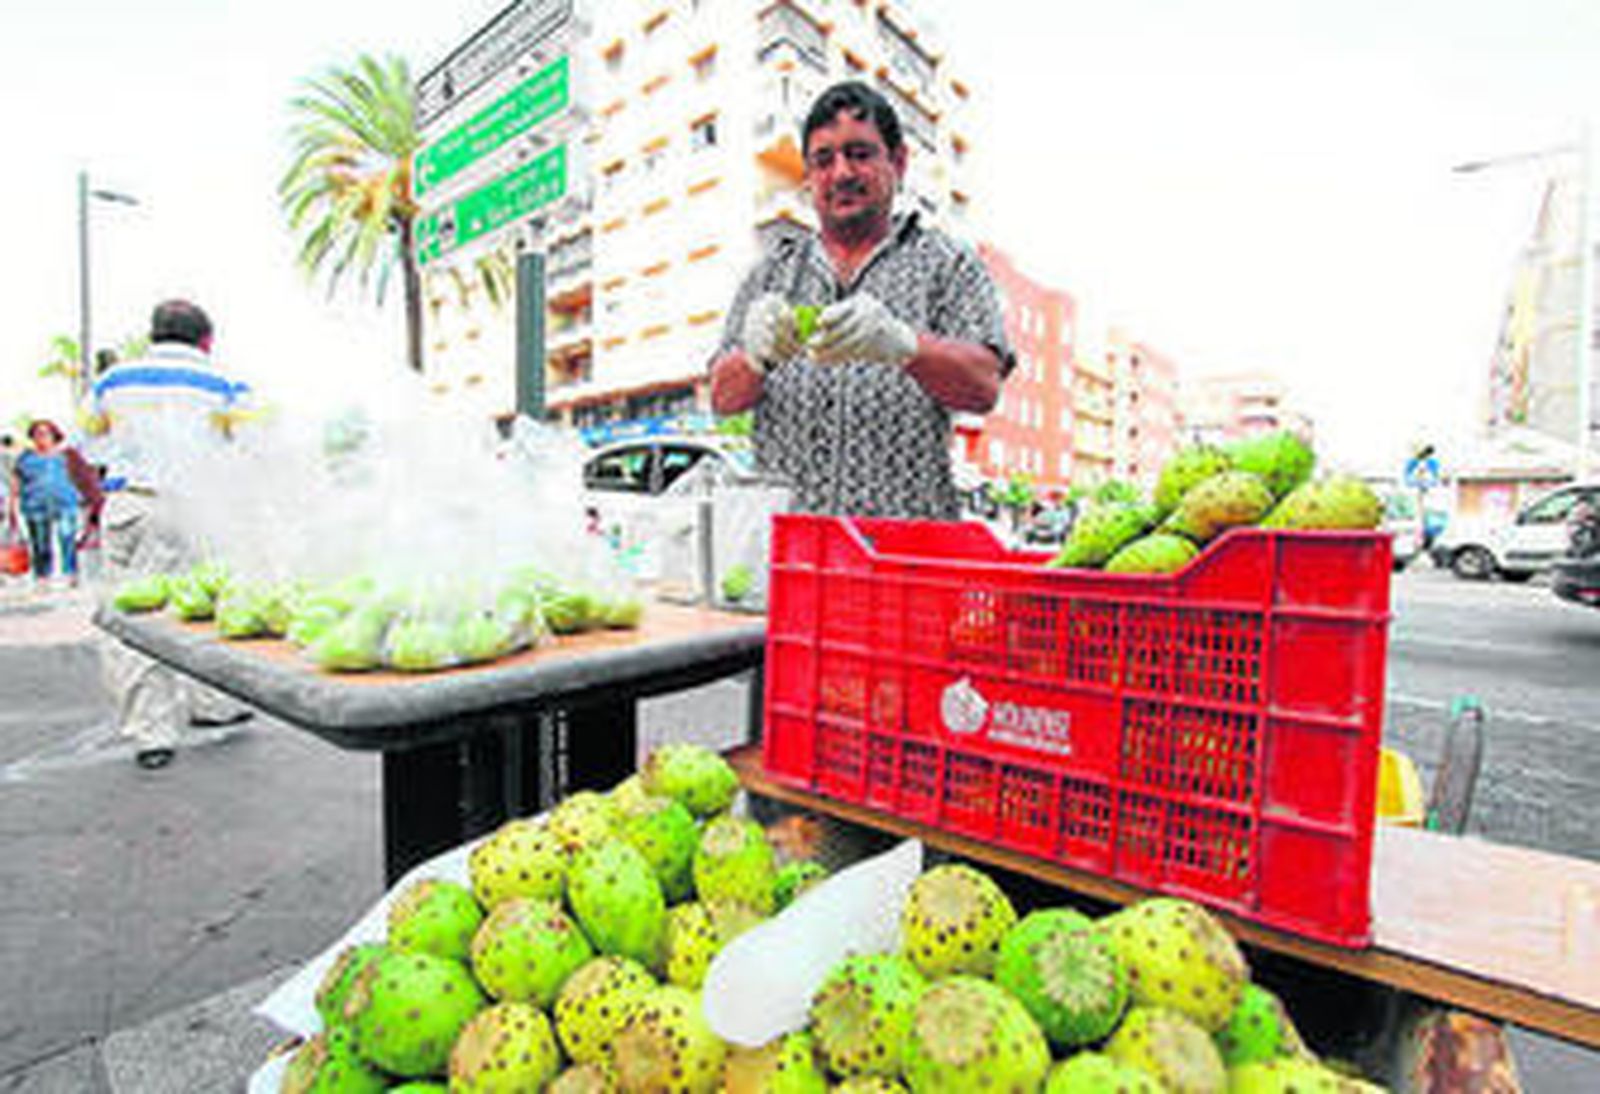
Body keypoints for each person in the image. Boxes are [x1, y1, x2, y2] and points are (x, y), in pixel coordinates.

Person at [709, 81, 1011, 519]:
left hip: (902, 562)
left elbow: (984, 386)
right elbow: (722, 398)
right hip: (791, 558)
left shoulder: (949, 263)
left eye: (860, 153)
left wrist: (904, 344)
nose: (842, 173)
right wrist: (752, 358)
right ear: (809, 176)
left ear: (899, 162)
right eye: (823, 159)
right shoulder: (771, 273)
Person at [91, 299, 254, 770]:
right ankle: (212, 705)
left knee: (134, 619)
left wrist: (100, 499)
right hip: (198, 510)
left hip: (130, 504)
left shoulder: (113, 380)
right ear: (206, 340)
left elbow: (79, 447)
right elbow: (253, 450)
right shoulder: (225, 384)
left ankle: (152, 734)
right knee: (204, 609)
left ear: (153, 334)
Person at [7, 419, 83, 588]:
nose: (41, 437)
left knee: (67, 538)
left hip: (65, 503)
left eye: (45, 433)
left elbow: (81, 477)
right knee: (40, 543)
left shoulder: (66, 455)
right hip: (35, 505)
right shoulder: (25, 458)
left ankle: (70, 573)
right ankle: (42, 576)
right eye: (36, 434)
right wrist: (12, 506)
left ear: (54, 435)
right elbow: (16, 482)